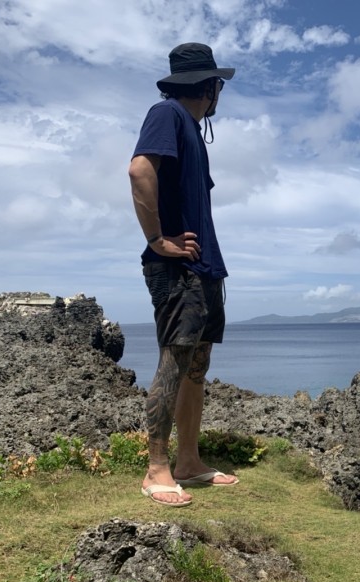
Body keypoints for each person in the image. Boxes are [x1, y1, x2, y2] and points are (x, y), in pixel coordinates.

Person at [129, 42, 239, 507]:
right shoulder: (167, 114)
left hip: (205, 267)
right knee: (174, 361)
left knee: (197, 366)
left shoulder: (191, 130)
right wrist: (159, 239)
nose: (220, 94)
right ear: (209, 86)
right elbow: (139, 171)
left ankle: (189, 462)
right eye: (219, 86)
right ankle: (157, 469)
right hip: (178, 268)